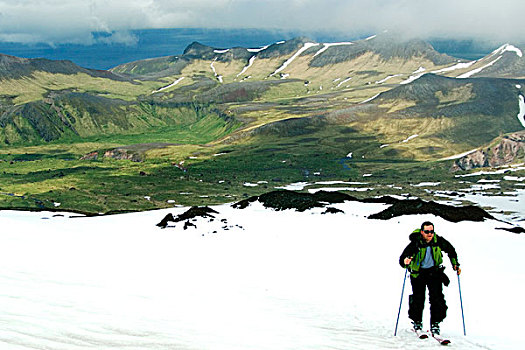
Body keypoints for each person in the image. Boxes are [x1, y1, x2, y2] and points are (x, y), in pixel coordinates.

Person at [399, 221, 461, 335]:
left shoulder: (438, 241)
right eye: (427, 232)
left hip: (434, 273)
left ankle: (435, 324)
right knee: (418, 298)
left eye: (431, 231)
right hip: (418, 274)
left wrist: (455, 264)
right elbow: (402, 259)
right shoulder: (415, 243)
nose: (430, 234)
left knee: (437, 299)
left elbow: (450, 250)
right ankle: (417, 322)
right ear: (422, 232)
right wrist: (405, 261)